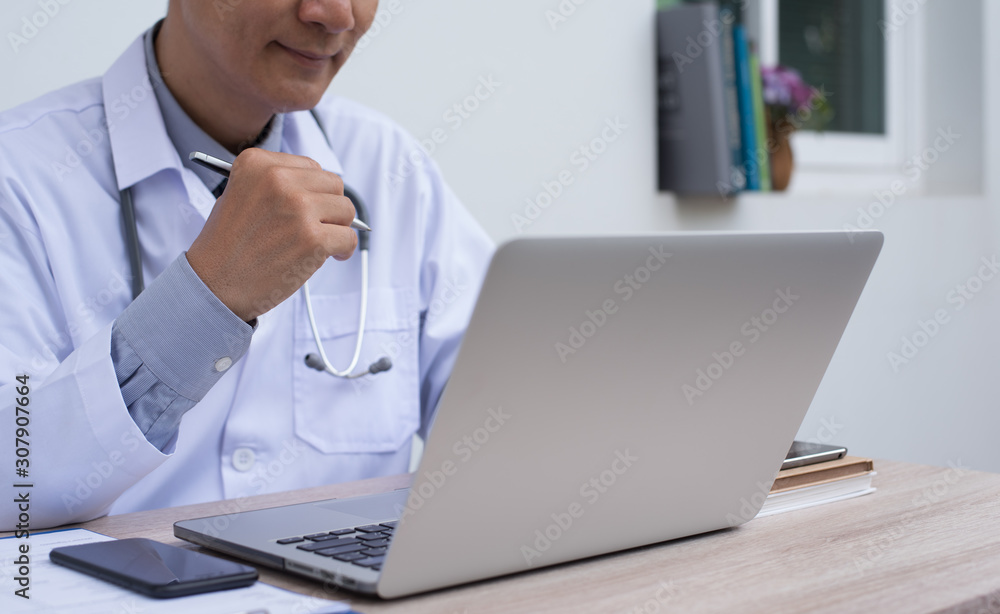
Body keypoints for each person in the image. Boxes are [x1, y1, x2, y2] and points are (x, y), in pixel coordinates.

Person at [0, 0, 493, 531]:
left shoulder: (391, 166)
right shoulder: (19, 178)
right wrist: (207, 301)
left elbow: (512, 418)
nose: (336, 15)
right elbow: (12, 485)